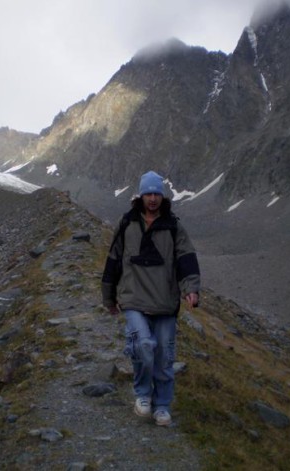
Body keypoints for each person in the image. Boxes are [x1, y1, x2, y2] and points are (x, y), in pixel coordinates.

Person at [101, 170, 200, 426]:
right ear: (141, 196)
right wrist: (109, 297)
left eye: (157, 193)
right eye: (148, 194)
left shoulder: (173, 226)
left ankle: (162, 405)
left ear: (162, 196)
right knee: (143, 345)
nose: (153, 198)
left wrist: (191, 288)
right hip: (133, 299)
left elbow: (186, 258)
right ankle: (143, 394)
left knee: (165, 357)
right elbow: (113, 260)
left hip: (165, 302)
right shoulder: (127, 224)